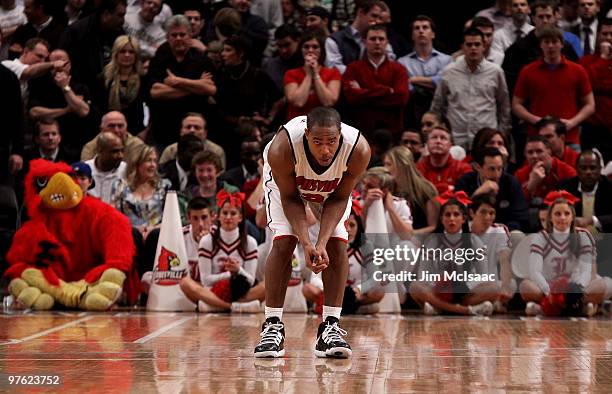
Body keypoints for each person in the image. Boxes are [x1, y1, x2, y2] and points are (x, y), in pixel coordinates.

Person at [254, 107, 370, 359]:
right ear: (306, 135)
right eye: (318, 142)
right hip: (289, 187)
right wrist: (307, 243)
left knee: (338, 242)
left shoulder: (358, 150)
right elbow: (291, 198)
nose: (325, 150)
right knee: (284, 242)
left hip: (333, 188)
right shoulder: (281, 149)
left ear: (341, 135)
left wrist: (322, 242)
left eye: (331, 142)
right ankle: (272, 325)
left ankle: (330, 326)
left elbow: (339, 198)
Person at [409, 191, 497, 316]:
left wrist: (461, 285)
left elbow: (483, 275)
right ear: (441, 219)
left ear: (463, 219)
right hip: (438, 290)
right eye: (447, 215)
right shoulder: (432, 241)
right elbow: (423, 274)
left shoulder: (474, 241)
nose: (451, 219)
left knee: (494, 287)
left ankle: (438, 308)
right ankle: (467, 310)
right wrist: (440, 283)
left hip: (465, 291)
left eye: (456, 214)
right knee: (415, 286)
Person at [519, 190, 604, 316]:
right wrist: (550, 292)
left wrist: (577, 290)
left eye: (566, 213)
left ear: (572, 217)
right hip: (548, 287)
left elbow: (587, 271)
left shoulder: (583, 235)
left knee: (602, 285)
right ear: (551, 217)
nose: (562, 218)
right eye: (557, 214)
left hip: (576, 287)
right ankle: (580, 308)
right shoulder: (540, 237)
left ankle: (547, 307)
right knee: (525, 286)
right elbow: (535, 271)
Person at [512, 25, 594, 149]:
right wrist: (536, 121)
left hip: (569, 137)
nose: (550, 46)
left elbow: (590, 105)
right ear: (541, 45)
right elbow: (516, 105)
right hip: (537, 139)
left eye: (555, 42)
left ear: (562, 44)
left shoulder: (578, 71)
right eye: (546, 42)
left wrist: (572, 122)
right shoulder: (528, 71)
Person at [180, 188, 261, 313]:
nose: (228, 217)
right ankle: (234, 307)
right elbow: (205, 280)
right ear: (218, 216)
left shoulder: (250, 242)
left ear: (240, 217)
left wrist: (238, 270)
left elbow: (250, 281)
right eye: (225, 213)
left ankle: (214, 306)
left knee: (269, 286)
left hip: (240, 292)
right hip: (212, 291)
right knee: (185, 283)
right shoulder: (207, 241)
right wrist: (230, 275)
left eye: (233, 213)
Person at [431, 27, 511, 150]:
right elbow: (437, 105)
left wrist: (501, 135)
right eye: (469, 44)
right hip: (456, 138)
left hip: (487, 140)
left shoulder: (496, 72)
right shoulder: (449, 72)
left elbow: (504, 106)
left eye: (477, 44)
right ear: (462, 47)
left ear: (484, 46)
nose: (473, 48)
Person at [148, 14, 216, 149]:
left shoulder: (202, 60)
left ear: (190, 35)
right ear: (167, 37)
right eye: (174, 35)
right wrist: (196, 86)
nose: (178, 38)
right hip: (164, 128)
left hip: (196, 129)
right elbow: (156, 92)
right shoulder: (159, 60)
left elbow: (210, 89)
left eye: (182, 34)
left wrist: (177, 81)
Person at [302, 203, 384, 314]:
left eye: (352, 225)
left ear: (359, 226)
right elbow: (314, 279)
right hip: (330, 290)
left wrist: (358, 289)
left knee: (379, 291)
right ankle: (347, 308)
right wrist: (329, 289)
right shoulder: (326, 244)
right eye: (345, 225)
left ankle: (331, 306)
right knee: (307, 289)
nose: (348, 229)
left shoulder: (366, 246)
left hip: (356, 293)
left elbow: (374, 277)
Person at [342, 24, 409, 138]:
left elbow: (401, 98)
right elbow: (352, 98)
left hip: (392, 132)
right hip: (361, 132)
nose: (377, 42)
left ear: (387, 42)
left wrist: (363, 92)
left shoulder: (399, 69)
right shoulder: (353, 68)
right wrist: (387, 91)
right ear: (364, 42)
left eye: (381, 39)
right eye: (373, 39)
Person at [28, 48, 93, 158]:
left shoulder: (80, 87)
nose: (59, 67)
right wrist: (67, 109)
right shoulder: (39, 85)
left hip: (74, 142)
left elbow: (84, 111)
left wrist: (65, 87)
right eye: (55, 63)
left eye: (63, 63)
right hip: (46, 140)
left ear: (70, 65)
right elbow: (34, 112)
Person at [398, 15, 452, 128]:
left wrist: (414, 79)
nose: (421, 31)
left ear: (433, 34)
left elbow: (444, 83)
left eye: (425, 27)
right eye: (417, 28)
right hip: (412, 113)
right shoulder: (402, 62)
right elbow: (405, 88)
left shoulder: (447, 60)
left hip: (441, 112)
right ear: (412, 35)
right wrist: (432, 82)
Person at [455, 147, 528, 231]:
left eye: (500, 168)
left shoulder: (511, 183)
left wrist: (496, 230)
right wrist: (477, 194)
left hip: (503, 233)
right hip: (473, 231)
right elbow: (456, 214)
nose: (497, 175)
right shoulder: (465, 182)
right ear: (478, 167)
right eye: (492, 169)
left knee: (517, 235)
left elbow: (521, 218)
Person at [110, 144, 171, 239]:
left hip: (158, 237)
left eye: (155, 161)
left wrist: (152, 229)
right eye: (148, 160)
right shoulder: (120, 186)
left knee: (155, 235)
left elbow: (172, 219)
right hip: (128, 235)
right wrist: (134, 229)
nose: (153, 165)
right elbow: (113, 217)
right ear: (136, 163)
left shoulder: (164, 186)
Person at [469, 193, 515, 311]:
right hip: (467, 283)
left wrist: (505, 287)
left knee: (511, 284)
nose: (487, 217)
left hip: (490, 284)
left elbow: (505, 261)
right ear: (472, 213)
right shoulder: (462, 229)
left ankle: (477, 305)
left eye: (491, 213)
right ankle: (484, 304)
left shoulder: (499, 230)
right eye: (483, 212)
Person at [284, 30, 341, 120]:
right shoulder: (290, 74)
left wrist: (315, 74)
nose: (310, 50)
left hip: (324, 123)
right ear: (301, 50)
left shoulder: (333, 73)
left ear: (321, 51)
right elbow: (298, 102)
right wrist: (309, 75)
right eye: (306, 47)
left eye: (315, 47)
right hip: (298, 123)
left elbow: (328, 102)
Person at [384, 146, 438, 233]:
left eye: (389, 164)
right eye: (385, 164)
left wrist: (410, 235)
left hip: (419, 241)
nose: (385, 169)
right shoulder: (387, 189)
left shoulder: (426, 189)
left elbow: (433, 226)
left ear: (402, 165)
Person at [100, 35, 146, 134]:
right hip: (109, 131)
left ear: (136, 55)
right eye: (122, 51)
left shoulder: (144, 79)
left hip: (137, 132)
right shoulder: (105, 78)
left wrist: (144, 132)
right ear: (116, 54)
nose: (127, 55)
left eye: (131, 52)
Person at [514, 136, 577, 203]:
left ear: (549, 151)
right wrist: (530, 186)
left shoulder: (566, 171)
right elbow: (516, 203)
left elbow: (574, 200)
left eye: (539, 151)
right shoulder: (520, 174)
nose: (534, 156)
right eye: (530, 152)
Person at [158, 112, 226, 171]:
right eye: (188, 127)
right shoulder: (170, 150)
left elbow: (220, 177)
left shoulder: (216, 151)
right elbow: (160, 174)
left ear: (205, 133)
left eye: (197, 127)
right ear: (181, 131)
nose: (192, 130)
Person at [360, 166, 413, 239]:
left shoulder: (400, 204)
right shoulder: (357, 202)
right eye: (363, 183)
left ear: (384, 191)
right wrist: (365, 207)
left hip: (393, 247)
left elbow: (407, 236)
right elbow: (357, 234)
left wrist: (391, 209)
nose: (364, 188)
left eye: (370, 186)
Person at [416, 126, 472, 194]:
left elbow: (464, 195)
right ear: (427, 143)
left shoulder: (463, 168)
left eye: (443, 138)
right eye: (434, 137)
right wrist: (448, 188)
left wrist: (430, 190)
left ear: (450, 145)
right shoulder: (418, 169)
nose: (438, 141)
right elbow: (418, 193)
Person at [85, 131, 126, 203]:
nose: (120, 155)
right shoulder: (84, 171)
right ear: (100, 151)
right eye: (115, 151)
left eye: (122, 151)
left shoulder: (127, 171)